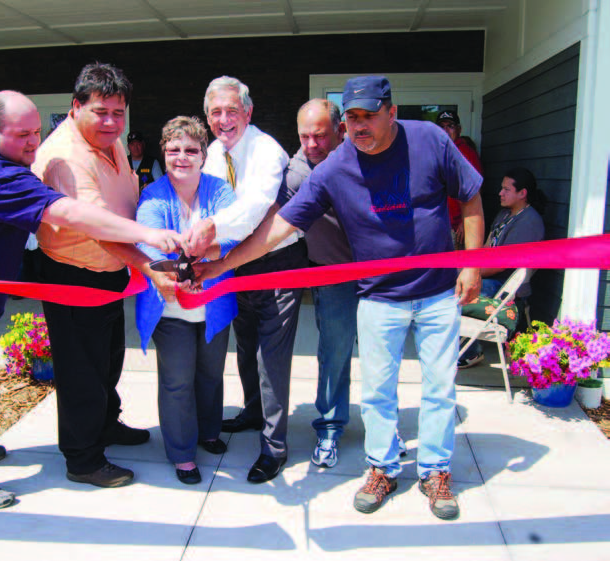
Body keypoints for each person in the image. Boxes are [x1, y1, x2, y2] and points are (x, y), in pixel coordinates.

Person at [193, 76, 484, 520]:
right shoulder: (333, 167)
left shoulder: (428, 139)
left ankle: (435, 470)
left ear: (391, 110)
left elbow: (471, 196)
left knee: (439, 388)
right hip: (379, 297)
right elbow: (279, 229)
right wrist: (220, 264)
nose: (361, 125)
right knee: (378, 393)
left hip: (437, 290)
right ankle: (383, 468)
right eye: (353, 117)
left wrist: (473, 263)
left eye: (369, 115)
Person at [0, 90, 180, 510]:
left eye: (37, 132)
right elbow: (69, 214)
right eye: (24, 136)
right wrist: (147, 236)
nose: (35, 145)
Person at [32, 63, 174, 489]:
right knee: (81, 371)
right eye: (101, 111)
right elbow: (95, 225)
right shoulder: (68, 159)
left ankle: (106, 425)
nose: (112, 122)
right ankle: (83, 458)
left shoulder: (108, 144)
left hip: (108, 272)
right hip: (73, 275)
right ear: (76, 108)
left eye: (119, 111)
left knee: (107, 359)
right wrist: (149, 265)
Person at [186, 76, 307, 484]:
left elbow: (255, 206)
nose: (223, 120)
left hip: (276, 261)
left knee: (270, 357)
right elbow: (208, 200)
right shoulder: (215, 154)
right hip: (236, 262)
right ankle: (253, 412)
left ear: (248, 112)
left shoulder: (266, 149)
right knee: (246, 345)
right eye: (215, 112)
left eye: (231, 111)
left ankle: (274, 448)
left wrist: (208, 231)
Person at [135, 116, 238, 484]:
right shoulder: (152, 194)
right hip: (169, 305)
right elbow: (145, 241)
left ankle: (209, 431)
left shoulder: (221, 191)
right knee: (178, 380)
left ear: (203, 155)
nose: (182, 157)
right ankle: (181, 452)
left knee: (210, 374)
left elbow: (234, 233)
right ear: (164, 152)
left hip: (213, 302)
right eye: (174, 149)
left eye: (191, 150)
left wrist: (203, 257)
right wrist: (171, 270)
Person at [274, 99, 357, 468]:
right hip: (333, 275)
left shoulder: (363, 158)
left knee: (381, 356)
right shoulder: (295, 174)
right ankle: (329, 427)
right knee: (334, 353)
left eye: (320, 136)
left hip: (380, 277)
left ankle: (385, 428)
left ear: (339, 131)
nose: (312, 145)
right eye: (305, 136)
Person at [458, 166, 546, 368]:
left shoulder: (529, 221)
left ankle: (470, 352)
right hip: (489, 278)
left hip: (505, 288)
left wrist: (468, 274)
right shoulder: (504, 215)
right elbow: (487, 248)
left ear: (522, 194)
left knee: (456, 293)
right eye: (501, 188)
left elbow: (500, 264)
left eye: (506, 189)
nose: (500, 193)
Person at [436, 110, 483, 249]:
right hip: (439, 224)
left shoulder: (465, 153)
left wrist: (464, 221)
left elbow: (475, 190)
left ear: (459, 129)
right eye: (441, 126)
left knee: (452, 268)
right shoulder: (437, 150)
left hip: (455, 227)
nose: (445, 130)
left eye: (450, 126)